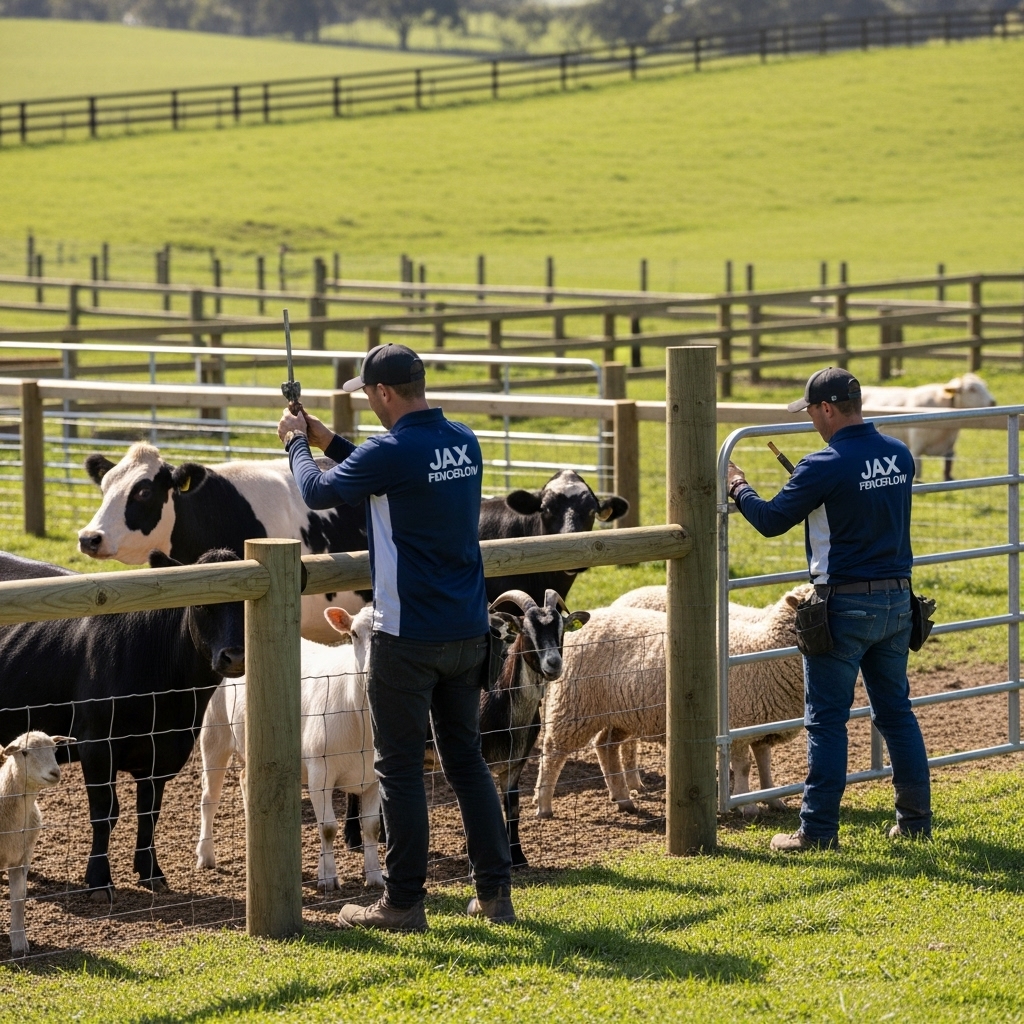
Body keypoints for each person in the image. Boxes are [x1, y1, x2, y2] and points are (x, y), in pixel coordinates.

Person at [276, 343, 514, 930]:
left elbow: (319, 492)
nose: (372, 405)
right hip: (468, 631)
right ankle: (494, 894)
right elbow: (394, 472)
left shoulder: (392, 450)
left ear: (383, 393)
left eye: (370, 395)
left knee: (400, 769)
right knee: (466, 763)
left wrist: (296, 445)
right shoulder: (462, 440)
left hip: (406, 636)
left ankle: (403, 902)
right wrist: (329, 440)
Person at [727, 366, 931, 852]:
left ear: (826, 408)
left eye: (813, 412)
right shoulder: (899, 455)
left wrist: (739, 487)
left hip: (843, 604)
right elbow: (859, 498)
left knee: (825, 720)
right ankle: (915, 821)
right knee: (897, 713)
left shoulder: (823, 465)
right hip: (897, 601)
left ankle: (817, 832)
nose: (813, 422)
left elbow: (773, 520)